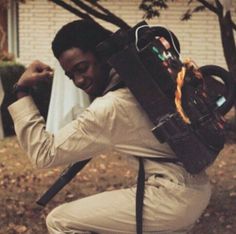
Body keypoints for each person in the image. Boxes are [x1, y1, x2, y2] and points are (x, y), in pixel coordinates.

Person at [8, 20, 211, 234]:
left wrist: (21, 89)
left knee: (60, 221)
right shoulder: (139, 84)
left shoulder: (112, 106)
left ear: (103, 55)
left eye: (82, 68)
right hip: (193, 187)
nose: (78, 81)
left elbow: (44, 154)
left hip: (172, 197)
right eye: (71, 75)